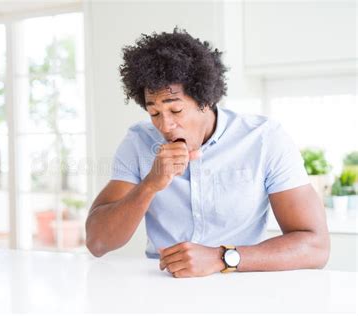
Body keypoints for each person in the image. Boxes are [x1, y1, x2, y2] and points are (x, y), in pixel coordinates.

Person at [85, 28, 330, 278]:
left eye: (176, 111)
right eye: (154, 113)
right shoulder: (138, 142)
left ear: (205, 100)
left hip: (243, 286)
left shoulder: (264, 138)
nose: (165, 126)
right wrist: (150, 185)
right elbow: (97, 242)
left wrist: (220, 258)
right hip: (163, 289)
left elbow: (315, 246)